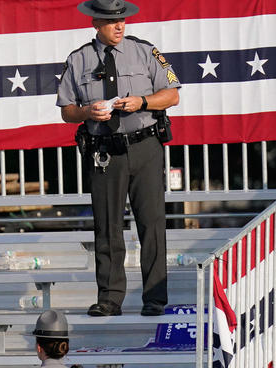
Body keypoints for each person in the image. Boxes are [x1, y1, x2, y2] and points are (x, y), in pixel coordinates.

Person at [56, 0, 181, 317]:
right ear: (95, 23)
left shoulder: (145, 51)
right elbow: (67, 110)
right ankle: (110, 298)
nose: (120, 25)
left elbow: (172, 94)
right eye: (112, 21)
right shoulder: (78, 59)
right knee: (107, 226)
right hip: (104, 151)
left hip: (144, 146)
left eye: (122, 19)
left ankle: (154, 298)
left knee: (151, 224)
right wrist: (87, 111)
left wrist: (142, 101)